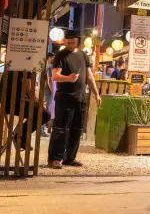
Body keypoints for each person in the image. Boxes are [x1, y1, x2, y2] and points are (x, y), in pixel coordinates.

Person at [48, 30, 102, 169]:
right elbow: (55, 76)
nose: (70, 44)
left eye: (73, 42)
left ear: (78, 41)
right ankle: (55, 158)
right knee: (61, 128)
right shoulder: (60, 55)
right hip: (64, 96)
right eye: (68, 42)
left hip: (80, 97)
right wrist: (68, 78)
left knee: (77, 129)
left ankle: (70, 158)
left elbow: (89, 76)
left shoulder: (83, 55)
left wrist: (96, 93)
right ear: (64, 41)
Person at [2, 71, 50, 151]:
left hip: (6, 103)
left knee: (39, 112)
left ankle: (20, 137)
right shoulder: (26, 69)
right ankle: (19, 137)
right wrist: (40, 102)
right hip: (16, 103)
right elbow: (29, 90)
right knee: (45, 114)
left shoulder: (12, 67)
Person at [42, 53, 55, 136]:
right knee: (46, 109)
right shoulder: (49, 67)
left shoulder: (44, 66)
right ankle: (42, 130)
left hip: (43, 89)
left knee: (44, 107)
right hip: (47, 90)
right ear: (49, 58)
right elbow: (49, 79)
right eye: (53, 57)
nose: (54, 59)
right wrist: (52, 90)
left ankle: (42, 129)